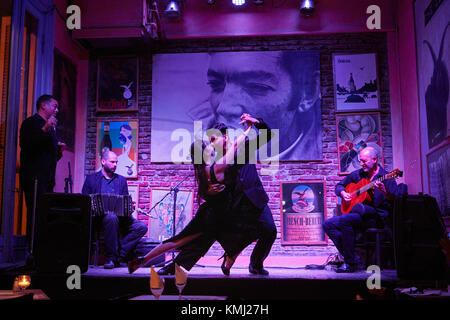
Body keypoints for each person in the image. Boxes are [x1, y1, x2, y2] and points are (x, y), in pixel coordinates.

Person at [128, 114, 258, 275]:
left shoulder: (203, 170)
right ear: (205, 153)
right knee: (247, 233)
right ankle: (229, 257)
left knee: (178, 240)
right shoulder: (217, 166)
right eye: (208, 145)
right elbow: (236, 145)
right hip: (214, 217)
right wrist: (249, 129)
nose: (211, 146)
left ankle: (144, 259)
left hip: (210, 213)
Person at [155, 114, 277, 276]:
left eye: (213, 139)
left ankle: (255, 265)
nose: (210, 144)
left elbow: (268, 136)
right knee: (206, 235)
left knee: (270, 230)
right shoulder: (213, 161)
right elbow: (206, 187)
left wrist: (257, 123)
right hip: (232, 207)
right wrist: (208, 192)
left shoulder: (244, 147)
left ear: (225, 137)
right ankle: (174, 267)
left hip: (254, 200)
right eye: (209, 141)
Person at [187, 51, 321, 161]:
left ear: (307, 93)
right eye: (215, 84)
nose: (223, 108)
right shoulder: (200, 141)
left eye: (256, 87)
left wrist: (254, 124)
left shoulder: (243, 152)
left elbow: (266, 135)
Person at [322, 147, 398, 273]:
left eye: (364, 161)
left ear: (374, 160)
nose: (361, 164)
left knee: (345, 220)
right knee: (327, 224)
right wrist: (343, 193)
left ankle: (350, 263)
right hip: (358, 215)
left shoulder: (386, 177)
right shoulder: (357, 174)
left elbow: (395, 199)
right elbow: (339, 185)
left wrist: (385, 193)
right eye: (360, 161)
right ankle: (353, 257)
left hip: (377, 218)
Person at [82, 150, 147, 269]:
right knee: (111, 218)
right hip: (98, 218)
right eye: (112, 162)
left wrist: (128, 206)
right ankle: (111, 258)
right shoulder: (91, 179)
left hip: (121, 217)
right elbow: (84, 200)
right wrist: (92, 206)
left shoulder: (121, 180)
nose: (115, 165)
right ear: (103, 161)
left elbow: (124, 199)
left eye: (116, 162)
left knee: (141, 227)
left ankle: (119, 254)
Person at [19, 94, 66, 248]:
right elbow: (27, 145)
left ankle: (42, 251)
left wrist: (59, 151)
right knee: (34, 215)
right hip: (34, 178)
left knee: (45, 215)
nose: (57, 110)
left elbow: (48, 157)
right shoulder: (30, 123)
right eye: (55, 106)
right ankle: (31, 250)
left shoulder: (50, 127)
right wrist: (45, 128)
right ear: (43, 106)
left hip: (47, 179)